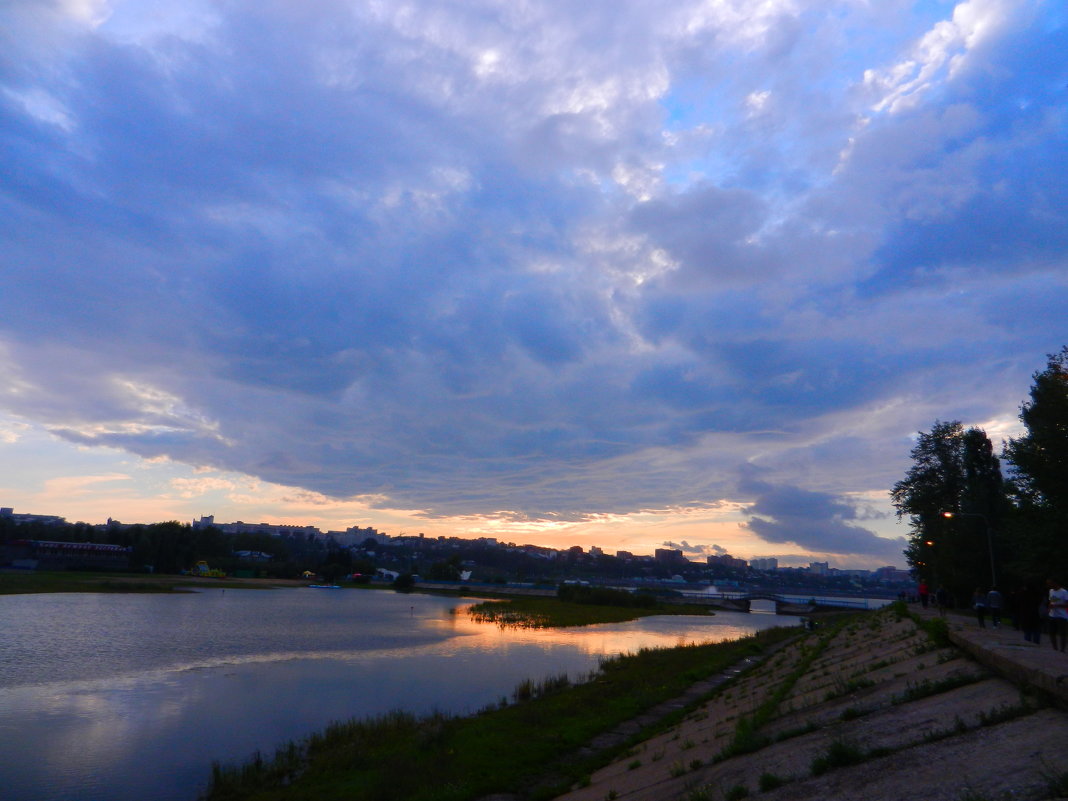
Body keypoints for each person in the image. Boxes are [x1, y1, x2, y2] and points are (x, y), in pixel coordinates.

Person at [1047, 578, 1068, 652]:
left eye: (1050, 583)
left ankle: (1062, 649)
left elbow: (1066, 604)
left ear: (1055, 583)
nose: (1049, 585)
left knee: (1062, 633)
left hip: (1061, 616)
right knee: (1052, 632)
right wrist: (1049, 608)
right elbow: (1052, 601)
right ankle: (1054, 648)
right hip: (1052, 615)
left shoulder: (1064, 592)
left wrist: (1057, 606)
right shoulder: (1051, 591)